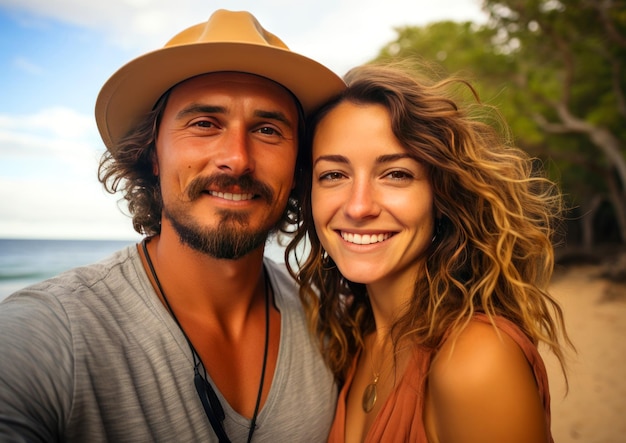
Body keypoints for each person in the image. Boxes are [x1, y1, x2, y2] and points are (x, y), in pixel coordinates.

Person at [0, 9, 346, 442]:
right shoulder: (48, 338)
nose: (237, 158)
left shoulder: (331, 324)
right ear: (152, 153)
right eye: (204, 124)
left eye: (267, 129)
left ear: (298, 166)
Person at [286, 62, 571, 442]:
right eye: (333, 175)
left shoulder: (475, 359)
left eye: (396, 174)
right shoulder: (356, 342)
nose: (358, 207)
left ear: (442, 196)